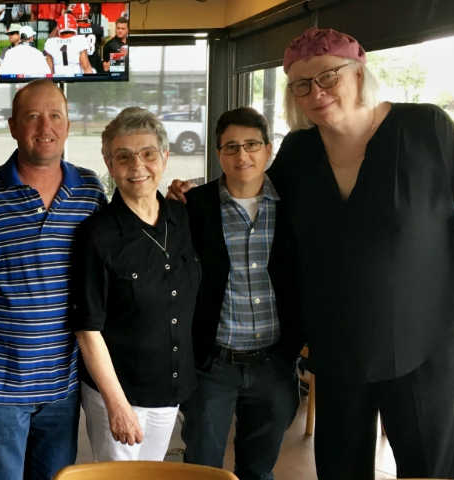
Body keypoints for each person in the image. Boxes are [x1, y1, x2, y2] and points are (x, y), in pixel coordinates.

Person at [170, 27, 454, 480]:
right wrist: (191, 198)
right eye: (301, 84)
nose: (315, 92)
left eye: (327, 77)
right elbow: (249, 191)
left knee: (430, 472)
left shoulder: (426, 128)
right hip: (339, 351)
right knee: (340, 471)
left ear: (359, 75)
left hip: (427, 346)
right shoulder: (299, 153)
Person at [0, 79, 106, 480]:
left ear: (68, 125)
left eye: (54, 116)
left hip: (62, 386)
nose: (44, 126)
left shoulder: (90, 191)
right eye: (32, 116)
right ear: (12, 126)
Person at [177, 107, 302, 480]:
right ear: (218, 155)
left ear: (268, 150)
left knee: (259, 469)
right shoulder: (192, 207)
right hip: (212, 365)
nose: (241, 156)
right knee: (201, 467)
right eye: (230, 147)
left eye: (251, 145)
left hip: (275, 364)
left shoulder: (295, 207)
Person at [70, 107, 200, 462]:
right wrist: (117, 405)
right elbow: (87, 330)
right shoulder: (97, 235)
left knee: (152, 471)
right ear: (109, 164)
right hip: (120, 392)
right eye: (123, 157)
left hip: (170, 389)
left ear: (165, 157)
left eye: (147, 154)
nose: (137, 166)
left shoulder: (184, 218)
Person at [72, 3, 105, 74]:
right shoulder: (96, 28)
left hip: (79, 64)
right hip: (95, 63)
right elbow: (102, 41)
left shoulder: (72, 30)